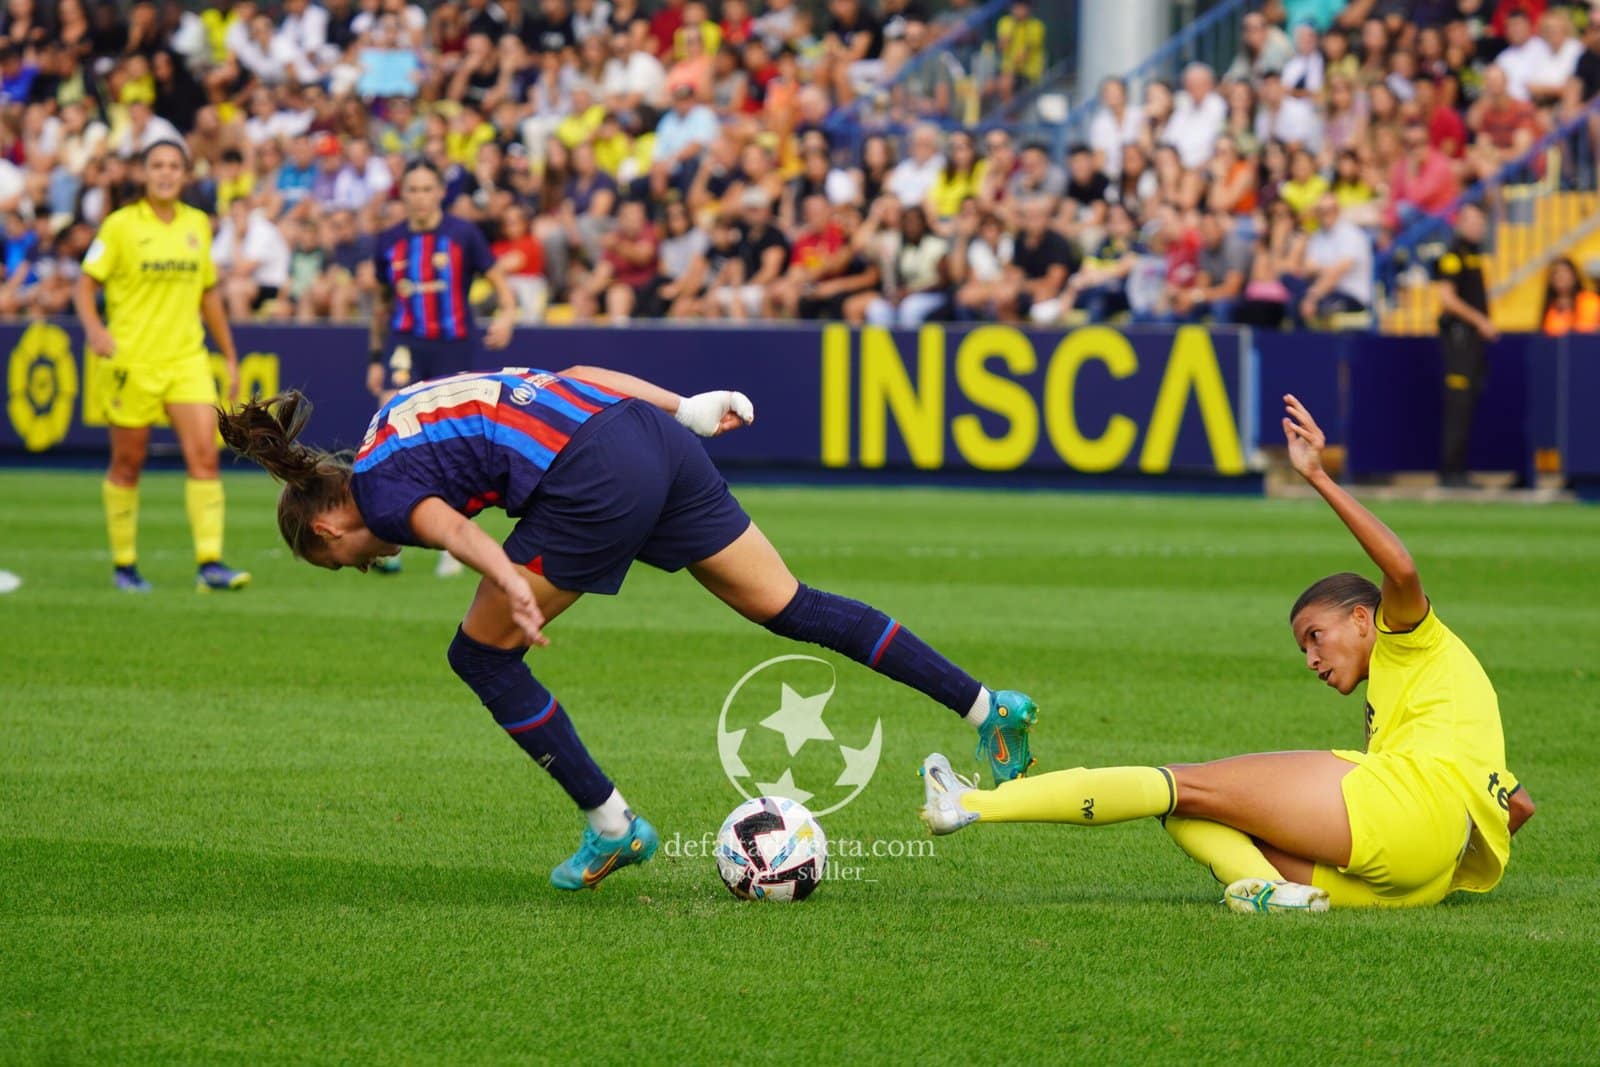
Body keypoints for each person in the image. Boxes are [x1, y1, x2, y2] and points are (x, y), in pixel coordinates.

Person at [218, 367, 1040, 891]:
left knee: (480, 655)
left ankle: (614, 827)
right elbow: (571, 374)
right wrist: (686, 406)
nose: (366, 562)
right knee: (786, 602)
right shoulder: (396, 416)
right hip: (643, 432)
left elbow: (452, 530)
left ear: (327, 530)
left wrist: (509, 579)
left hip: (589, 478)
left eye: (347, 562)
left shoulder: (379, 488)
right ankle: (987, 707)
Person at [919, 394, 1534, 913]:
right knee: (1184, 813)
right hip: (1419, 878)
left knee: (1177, 783)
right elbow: (1519, 806)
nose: (1311, 660)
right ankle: (1258, 888)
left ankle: (971, 803)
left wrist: (1317, 476)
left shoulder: (1408, 634)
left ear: (1361, 616)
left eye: (1315, 637)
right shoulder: (1431, 690)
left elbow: (1399, 567)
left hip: (1404, 811)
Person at [72, 140, 249, 594]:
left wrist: (228, 354)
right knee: (129, 463)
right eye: (158, 166)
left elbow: (208, 294)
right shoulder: (121, 225)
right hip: (132, 361)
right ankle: (124, 564)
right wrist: (95, 329)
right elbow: (84, 286)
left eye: (174, 166)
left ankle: (210, 563)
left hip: (186, 359)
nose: (166, 173)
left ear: (185, 174)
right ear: (144, 173)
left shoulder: (196, 224)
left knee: (206, 456)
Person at [367, 159, 517, 575]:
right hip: (404, 342)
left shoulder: (463, 235)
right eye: (411, 189)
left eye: (426, 188)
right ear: (404, 195)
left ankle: (454, 540)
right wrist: (374, 357)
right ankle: (385, 538)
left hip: (452, 343)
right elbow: (382, 304)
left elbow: (502, 287)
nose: (419, 197)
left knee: (451, 437)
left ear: (439, 193)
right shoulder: (389, 242)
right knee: (387, 428)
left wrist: (507, 315)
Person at [1431, 203, 1496, 487]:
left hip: (1472, 344)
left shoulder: (1475, 255)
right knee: (1457, 404)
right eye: (1472, 221)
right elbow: (1447, 298)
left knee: (1467, 403)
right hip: (1459, 340)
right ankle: (1450, 470)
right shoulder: (1453, 256)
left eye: (1481, 222)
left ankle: (1459, 468)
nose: (1477, 227)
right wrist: (1479, 320)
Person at [1540, 257, 1600, 335]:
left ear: (1574, 276)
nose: (1560, 277)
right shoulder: (1549, 308)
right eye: (1556, 273)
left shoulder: (1591, 301)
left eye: (1565, 273)